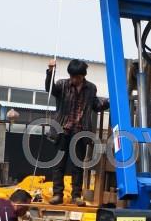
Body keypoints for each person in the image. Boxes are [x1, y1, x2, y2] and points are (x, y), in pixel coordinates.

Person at [45, 58, 108, 205]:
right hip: (62, 130)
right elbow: (50, 89)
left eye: (77, 77)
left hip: (80, 132)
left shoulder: (91, 88)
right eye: (72, 76)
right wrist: (50, 72)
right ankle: (58, 195)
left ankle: (76, 196)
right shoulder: (62, 85)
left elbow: (96, 105)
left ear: (83, 75)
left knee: (77, 165)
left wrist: (109, 102)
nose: (73, 79)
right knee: (59, 164)